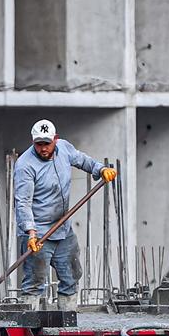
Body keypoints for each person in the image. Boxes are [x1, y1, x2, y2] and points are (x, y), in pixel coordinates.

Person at [13, 119, 116, 309]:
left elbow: (83, 160)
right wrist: (31, 233)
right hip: (39, 233)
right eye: (39, 144)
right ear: (33, 141)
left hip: (62, 228)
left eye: (47, 143)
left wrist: (100, 169)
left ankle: (67, 319)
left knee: (71, 276)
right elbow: (23, 202)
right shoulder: (25, 165)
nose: (43, 148)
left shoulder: (65, 148)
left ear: (55, 139)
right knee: (34, 282)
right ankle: (28, 322)